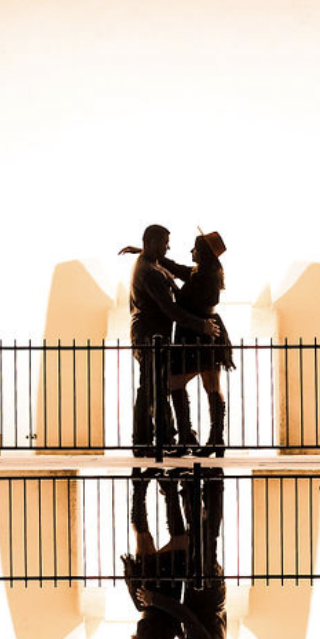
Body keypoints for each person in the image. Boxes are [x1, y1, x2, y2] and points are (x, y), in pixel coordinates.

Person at [119, 225, 210, 553]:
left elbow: (181, 274)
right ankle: (154, 440)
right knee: (151, 390)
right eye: (166, 243)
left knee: (153, 389)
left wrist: (141, 250)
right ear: (153, 241)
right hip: (150, 337)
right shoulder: (149, 270)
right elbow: (170, 309)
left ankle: (153, 439)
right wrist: (200, 324)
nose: (170, 248)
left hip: (153, 337)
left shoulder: (151, 264)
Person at [165, 231, 234, 456]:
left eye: (195, 248)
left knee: (175, 382)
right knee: (211, 385)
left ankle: (187, 436)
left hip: (196, 334)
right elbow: (178, 269)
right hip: (206, 332)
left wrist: (172, 286)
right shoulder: (206, 273)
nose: (191, 252)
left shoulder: (204, 276)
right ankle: (215, 438)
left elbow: (183, 300)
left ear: (202, 252)